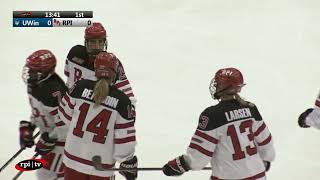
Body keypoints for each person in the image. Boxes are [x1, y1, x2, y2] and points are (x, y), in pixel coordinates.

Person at [162, 68, 275, 180]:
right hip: (259, 176)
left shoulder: (212, 115)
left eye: (218, 84)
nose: (215, 86)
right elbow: (266, 143)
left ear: (224, 87)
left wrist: (178, 165)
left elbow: (198, 159)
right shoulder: (251, 108)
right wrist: (265, 160)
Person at [57, 52, 137, 180]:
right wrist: (127, 160)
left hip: (72, 158)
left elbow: (64, 114)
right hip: (101, 166)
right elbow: (124, 139)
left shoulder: (79, 86)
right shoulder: (122, 101)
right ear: (114, 72)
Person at [20, 49, 67, 179]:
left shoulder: (54, 92)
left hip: (62, 144)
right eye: (29, 69)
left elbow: (67, 125)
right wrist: (31, 125)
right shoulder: (36, 84)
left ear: (47, 72)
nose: (30, 74)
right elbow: (41, 111)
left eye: (35, 71)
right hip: (51, 138)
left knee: (47, 175)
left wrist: (50, 138)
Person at [64, 22, 136, 105]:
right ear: (86, 42)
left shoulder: (112, 62)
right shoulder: (74, 53)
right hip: (71, 105)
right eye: (93, 42)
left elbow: (128, 95)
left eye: (100, 42)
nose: (97, 46)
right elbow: (68, 77)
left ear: (105, 42)